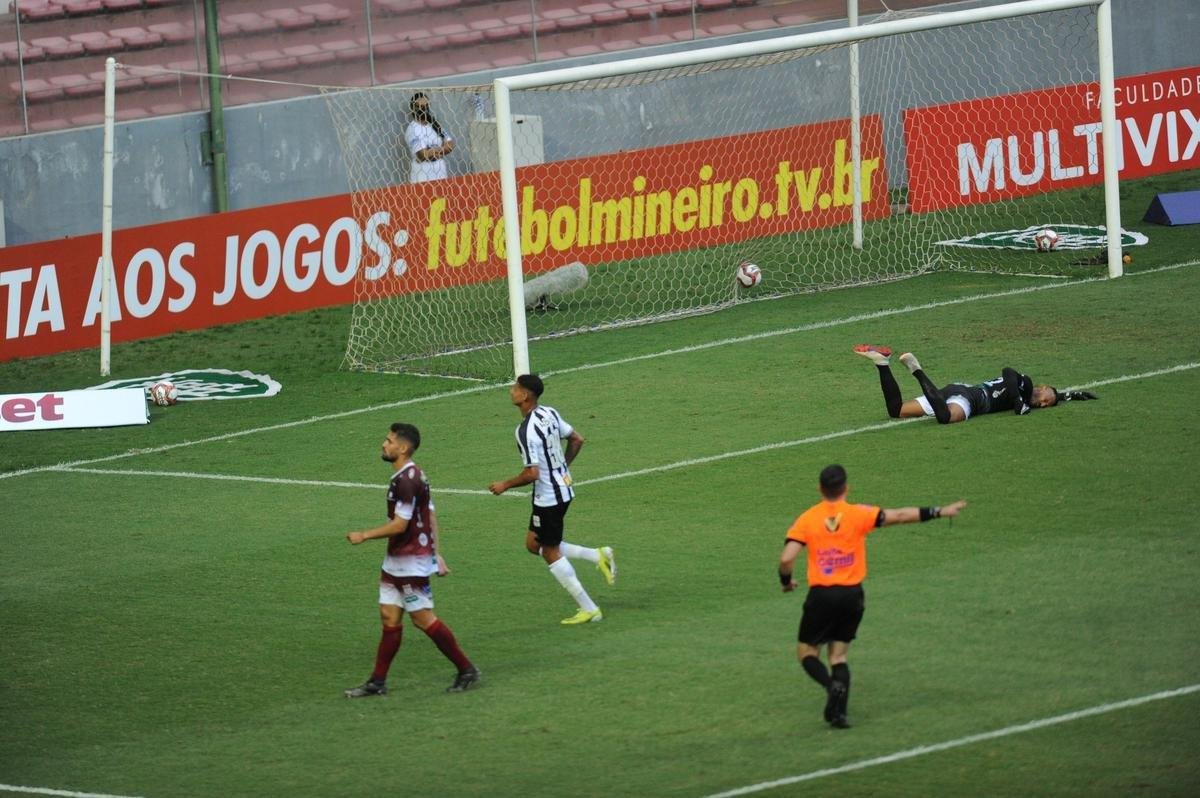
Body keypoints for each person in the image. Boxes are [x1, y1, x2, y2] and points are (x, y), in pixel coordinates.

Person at [779, 464, 967, 728]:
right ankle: (838, 715)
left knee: (807, 652)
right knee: (838, 657)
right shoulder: (858, 514)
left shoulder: (808, 518)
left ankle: (830, 685)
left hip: (822, 595)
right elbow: (900, 515)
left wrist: (786, 582)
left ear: (820, 489)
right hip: (852, 595)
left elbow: (787, 558)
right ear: (846, 488)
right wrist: (940, 511)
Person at [344, 423, 480, 697]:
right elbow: (429, 514)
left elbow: (400, 525)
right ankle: (377, 682)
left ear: (402, 448)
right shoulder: (415, 475)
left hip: (410, 562)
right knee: (389, 616)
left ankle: (467, 669)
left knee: (422, 619)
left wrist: (364, 535)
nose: (384, 444)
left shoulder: (406, 480)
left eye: (389, 440)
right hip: (398, 559)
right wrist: (436, 552)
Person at [488, 373, 617, 625]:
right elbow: (577, 439)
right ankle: (597, 555)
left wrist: (505, 484)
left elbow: (532, 473)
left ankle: (589, 608)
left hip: (549, 498)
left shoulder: (524, 431)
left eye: (515, 387)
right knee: (532, 544)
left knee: (549, 550)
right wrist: (562, 469)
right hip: (563, 490)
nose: (511, 390)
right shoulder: (550, 413)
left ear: (525, 395)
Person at [853, 344, 1098, 424]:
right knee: (946, 418)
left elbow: (1057, 395)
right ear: (1042, 387)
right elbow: (1008, 371)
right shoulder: (1025, 384)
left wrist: (1071, 395)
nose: (1044, 402)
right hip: (971, 398)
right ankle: (917, 371)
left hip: (958, 390)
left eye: (1047, 404)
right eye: (1047, 397)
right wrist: (1017, 401)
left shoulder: (1029, 399)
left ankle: (882, 363)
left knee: (896, 411)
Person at [405, 92, 454, 183]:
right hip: (423, 177)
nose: (424, 109)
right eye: (420, 106)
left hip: (441, 175)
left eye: (426, 105)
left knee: (442, 197)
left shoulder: (435, 125)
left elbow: (450, 145)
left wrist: (432, 151)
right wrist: (441, 150)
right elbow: (422, 155)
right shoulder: (413, 129)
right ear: (413, 108)